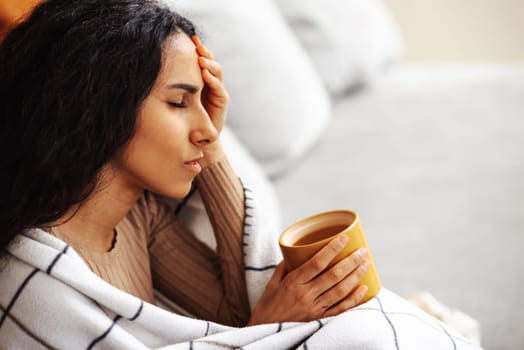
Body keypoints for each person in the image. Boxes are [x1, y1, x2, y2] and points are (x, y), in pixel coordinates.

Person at [0, 0, 370, 345]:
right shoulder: (33, 280)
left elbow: (237, 308)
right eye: (179, 102)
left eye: (202, 105)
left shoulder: (137, 217)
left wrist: (212, 150)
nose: (209, 131)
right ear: (100, 105)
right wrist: (266, 331)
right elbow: (251, 323)